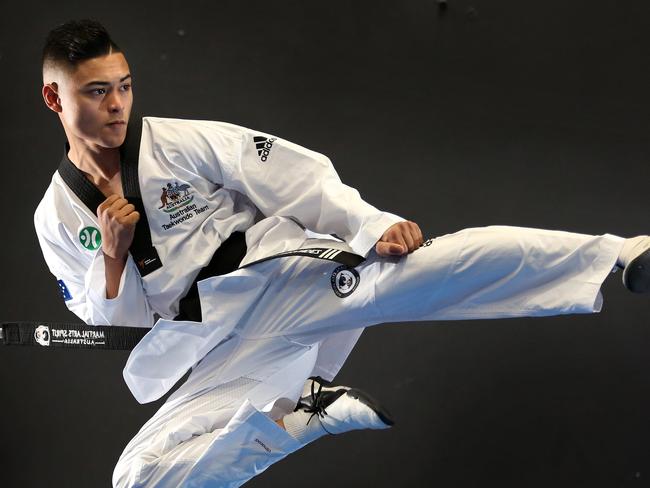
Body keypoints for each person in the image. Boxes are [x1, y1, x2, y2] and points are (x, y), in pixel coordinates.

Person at [35, 19, 650, 488]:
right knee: (135, 476)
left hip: (284, 279)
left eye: (124, 86)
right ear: (55, 100)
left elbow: (298, 178)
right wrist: (112, 258)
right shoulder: (56, 217)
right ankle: (297, 420)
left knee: (438, 271)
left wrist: (370, 226)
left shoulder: (182, 143)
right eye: (97, 93)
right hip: (220, 340)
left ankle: (617, 254)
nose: (117, 106)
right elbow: (114, 328)